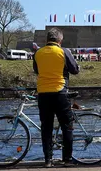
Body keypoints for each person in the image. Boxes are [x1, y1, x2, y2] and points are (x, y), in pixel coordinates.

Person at [33, 28, 80, 168]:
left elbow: (37, 70)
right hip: (60, 92)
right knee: (67, 126)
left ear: (47, 40)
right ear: (60, 40)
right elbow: (75, 70)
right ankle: (67, 159)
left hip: (43, 93)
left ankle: (48, 160)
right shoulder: (64, 52)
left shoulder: (38, 53)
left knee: (46, 127)